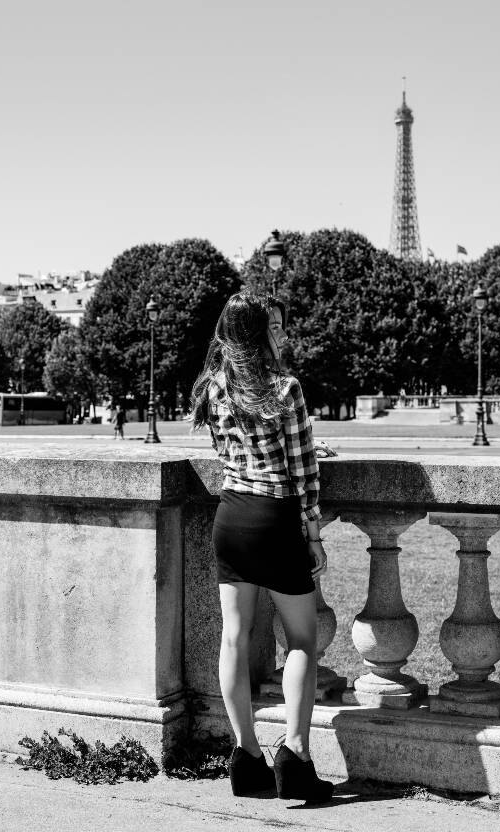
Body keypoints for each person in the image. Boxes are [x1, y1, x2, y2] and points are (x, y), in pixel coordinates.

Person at [190, 291, 337, 803]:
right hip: (275, 519)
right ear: (260, 332)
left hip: (231, 517)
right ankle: (294, 754)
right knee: (301, 639)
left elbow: (237, 450)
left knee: (235, 636)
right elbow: (302, 473)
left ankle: (246, 755)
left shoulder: (211, 390)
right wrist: (314, 536)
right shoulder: (284, 388)